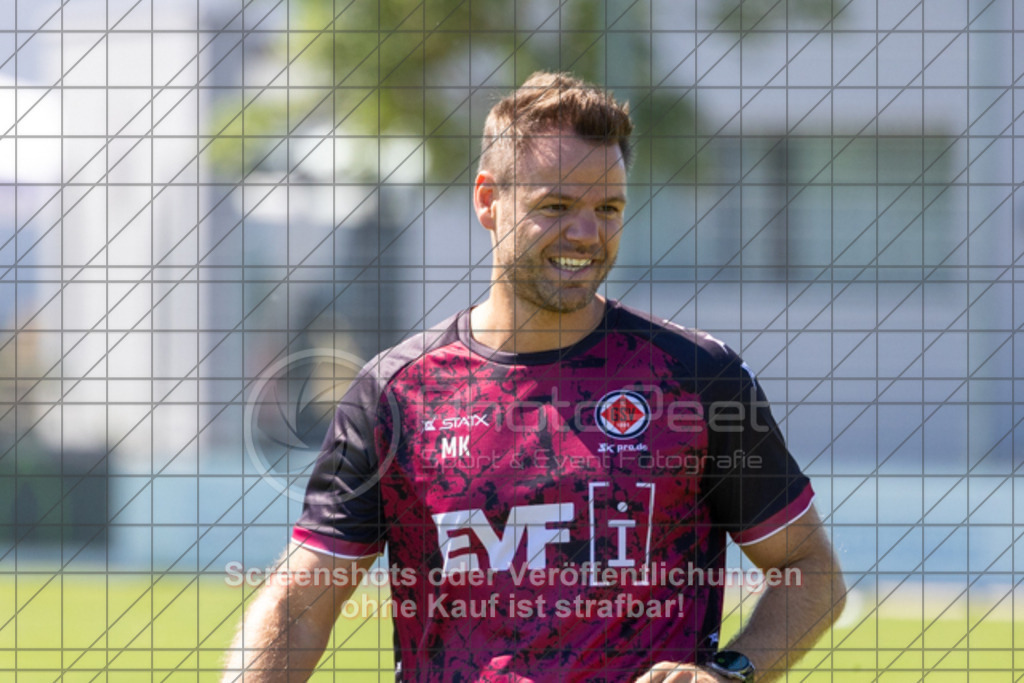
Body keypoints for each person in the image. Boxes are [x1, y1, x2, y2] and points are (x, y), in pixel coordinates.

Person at [223, 71, 846, 683]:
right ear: (488, 200)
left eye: (608, 208)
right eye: (556, 206)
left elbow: (810, 570)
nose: (587, 233)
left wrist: (729, 673)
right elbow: (297, 608)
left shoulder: (697, 378)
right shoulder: (397, 394)